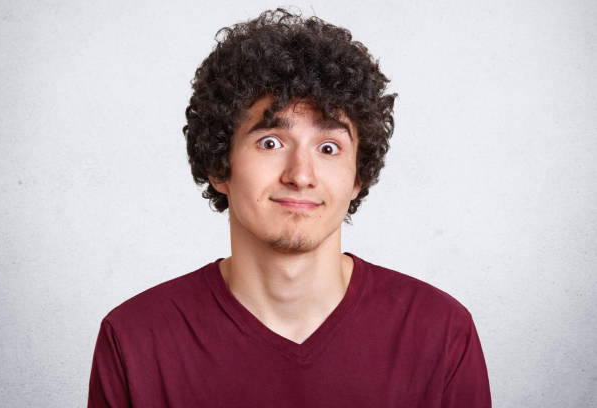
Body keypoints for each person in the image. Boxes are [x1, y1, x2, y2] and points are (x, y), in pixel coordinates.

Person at [88, 8, 491, 407]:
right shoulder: (134, 341)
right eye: (271, 143)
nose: (301, 174)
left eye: (329, 148)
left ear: (357, 177)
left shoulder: (441, 334)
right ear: (218, 165)